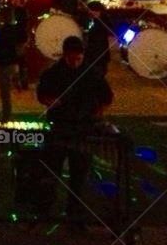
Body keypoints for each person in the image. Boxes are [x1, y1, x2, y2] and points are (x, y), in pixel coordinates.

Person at [36, 36, 113, 228]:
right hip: (60, 127)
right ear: (65, 55)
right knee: (51, 173)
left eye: (78, 59)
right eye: (71, 59)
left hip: (83, 129)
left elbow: (107, 96)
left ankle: (74, 214)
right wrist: (49, 101)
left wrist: (98, 113)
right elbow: (41, 95)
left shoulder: (91, 73)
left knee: (79, 176)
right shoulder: (53, 73)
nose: (75, 62)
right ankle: (44, 211)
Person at [0, 7, 23, 122]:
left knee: (4, 92)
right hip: (13, 62)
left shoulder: (3, 31)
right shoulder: (15, 30)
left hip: (4, 63)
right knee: (7, 87)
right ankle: (17, 80)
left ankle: (6, 115)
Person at [84, 1, 112, 77]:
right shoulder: (94, 21)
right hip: (96, 56)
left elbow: (97, 39)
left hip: (98, 56)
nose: (90, 13)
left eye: (91, 10)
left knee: (97, 75)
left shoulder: (102, 21)